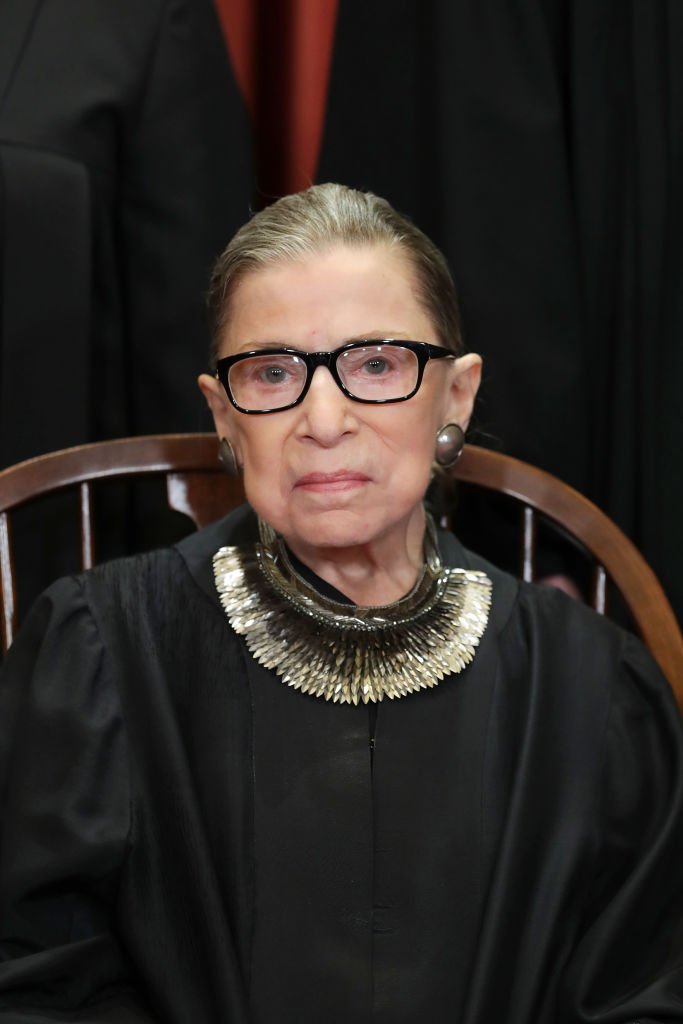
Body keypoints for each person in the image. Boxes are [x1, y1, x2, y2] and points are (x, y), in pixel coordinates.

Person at [0, 184, 681, 1023]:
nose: (323, 419)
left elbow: (645, 995)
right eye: (273, 371)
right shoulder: (101, 652)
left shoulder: (590, 687)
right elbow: (35, 988)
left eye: (375, 365)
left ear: (456, 396)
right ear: (224, 414)